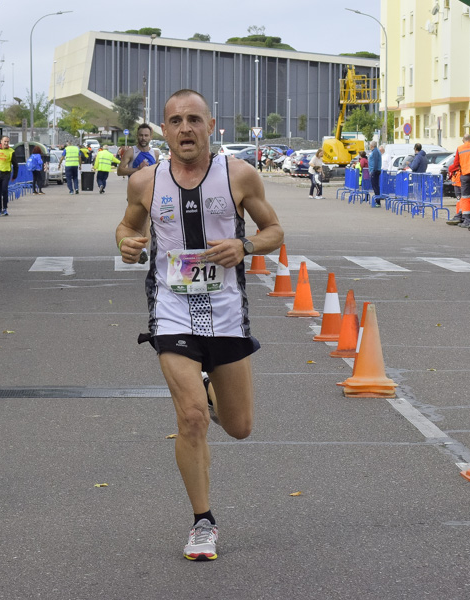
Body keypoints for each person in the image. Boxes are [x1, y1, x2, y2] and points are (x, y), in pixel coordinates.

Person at [116, 89, 283, 561]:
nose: (185, 128)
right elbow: (127, 229)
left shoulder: (239, 175)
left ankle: (211, 390)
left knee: (240, 427)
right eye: (175, 121)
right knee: (190, 417)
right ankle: (202, 522)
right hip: (171, 310)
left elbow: (274, 231)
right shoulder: (146, 181)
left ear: (211, 125)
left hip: (226, 312)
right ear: (164, 131)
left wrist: (246, 247)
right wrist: (127, 244)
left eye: (194, 119)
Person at [367, 141, 382, 205]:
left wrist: (373, 170)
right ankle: (377, 199)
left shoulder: (375, 152)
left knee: (375, 186)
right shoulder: (375, 151)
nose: (369, 146)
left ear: (372, 145)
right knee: (375, 186)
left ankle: (377, 201)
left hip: (375, 171)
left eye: (370, 145)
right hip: (374, 170)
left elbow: (375, 161)